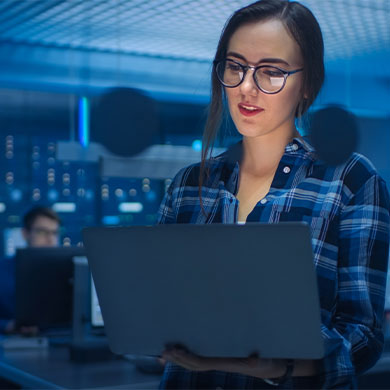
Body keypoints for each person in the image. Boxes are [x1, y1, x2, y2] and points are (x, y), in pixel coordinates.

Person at [157, 0, 390, 389]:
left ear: (308, 85)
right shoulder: (186, 186)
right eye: (235, 67)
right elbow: (156, 308)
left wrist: (273, 366)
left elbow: (363, 337)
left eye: (271, 72)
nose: (246, 87)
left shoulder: (350, 180)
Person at [0, 206, 61, 334]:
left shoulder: (66, 271)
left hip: (57, 339)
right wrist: (7, 325)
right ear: (25, 234)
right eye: (42, 232)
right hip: (12, 343)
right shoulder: (2, 269)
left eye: (54, 233)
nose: (50, 239)